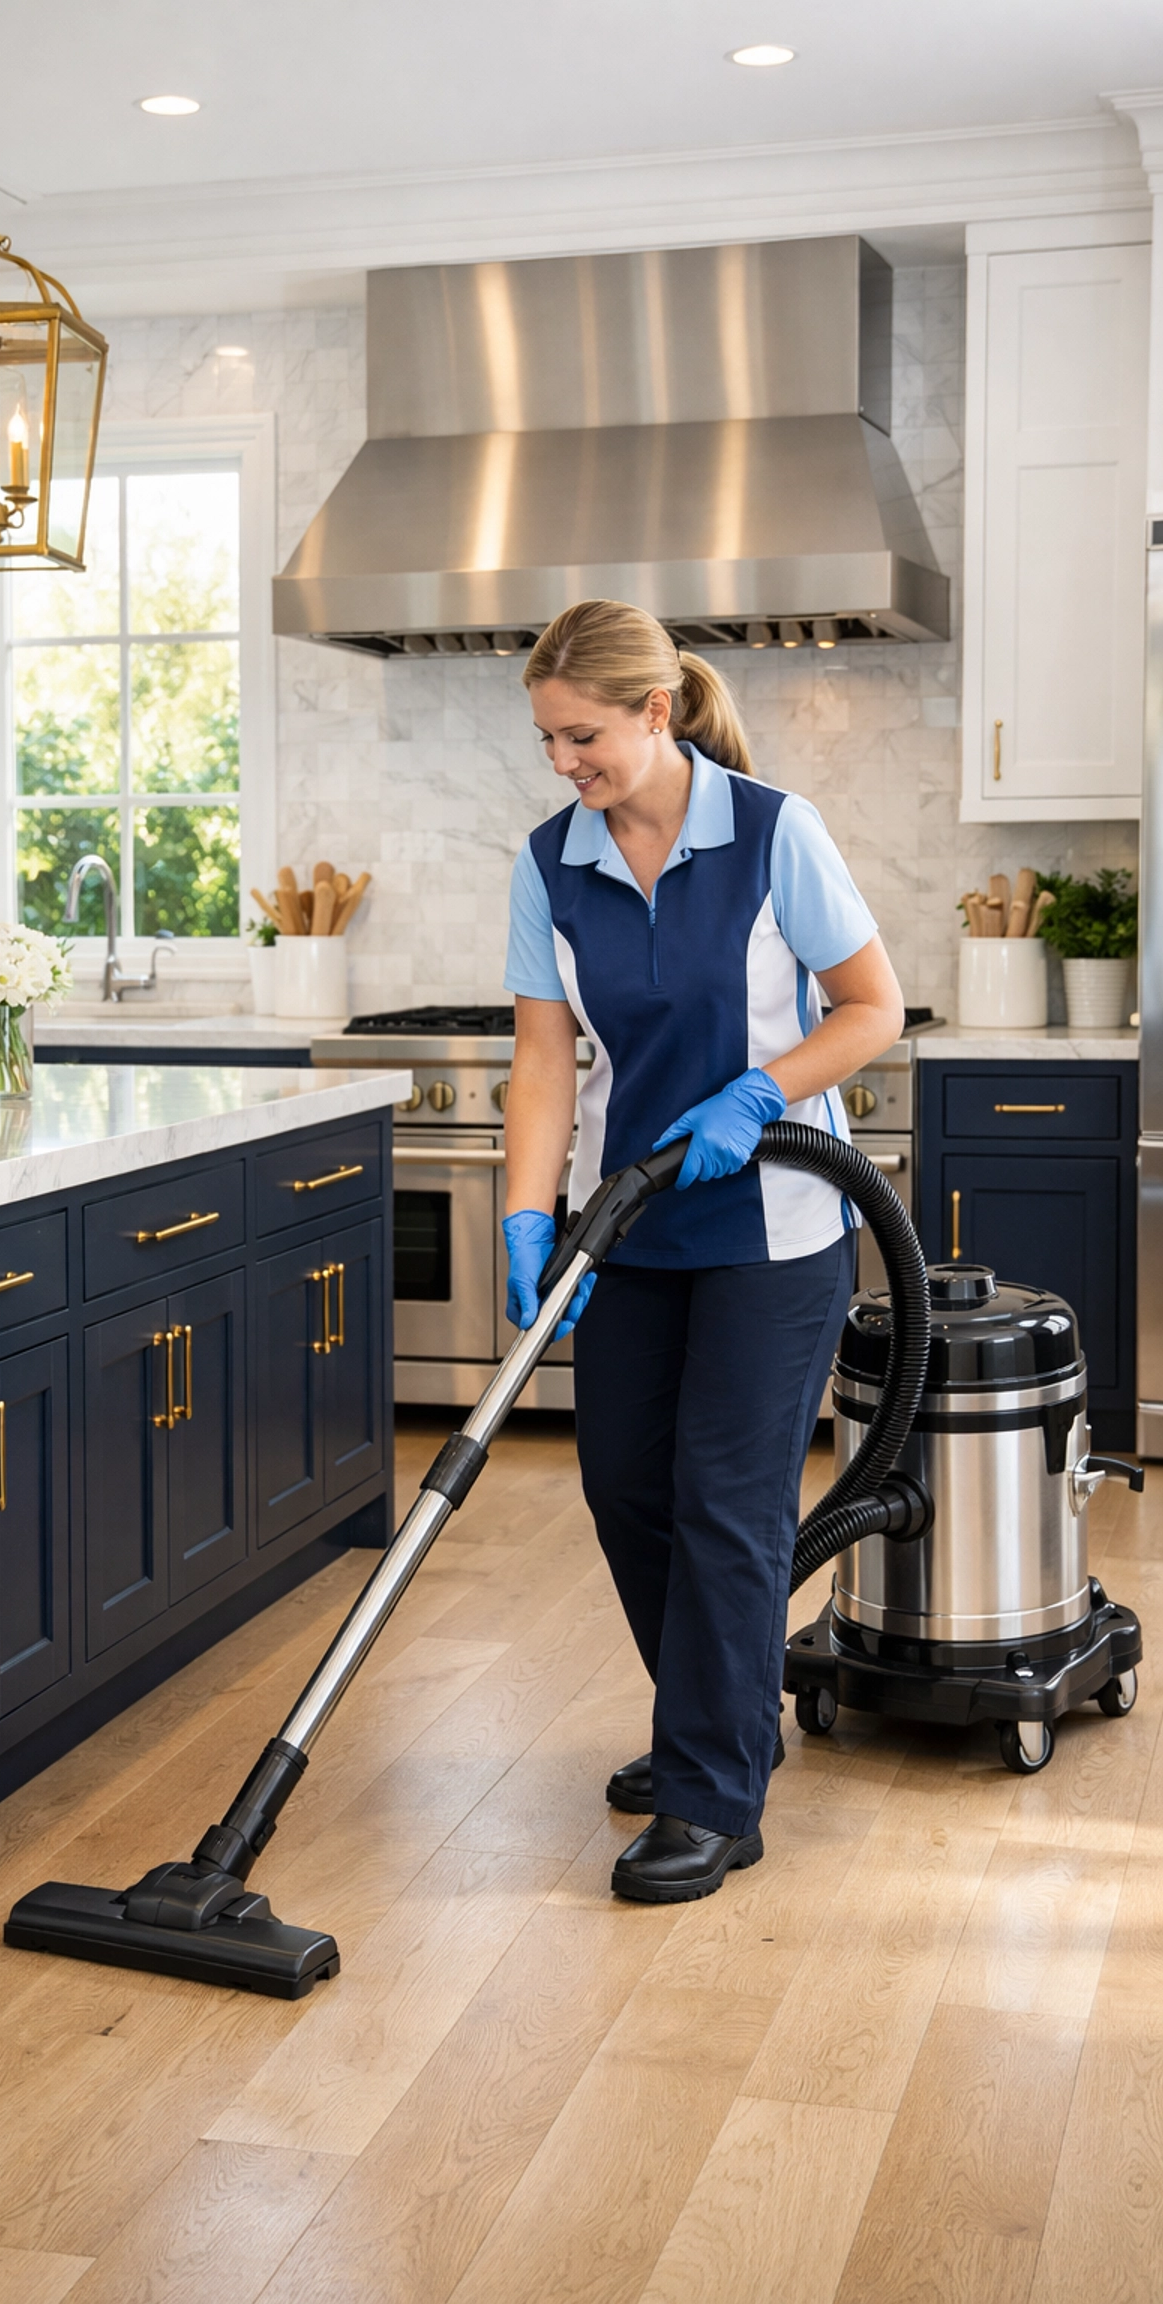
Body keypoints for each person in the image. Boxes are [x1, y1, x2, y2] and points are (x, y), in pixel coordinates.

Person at [502, 598, 904, 1904]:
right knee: (624, 1484)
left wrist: (760, 1093)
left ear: (654, 712)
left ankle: (714, 1793)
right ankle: (717, 1717)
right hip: (637, 1226)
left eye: (584, 737)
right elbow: (544, 1061)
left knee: (727, 1503)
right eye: (551, 740)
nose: (566, 762)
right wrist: (528, 1215)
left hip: (777, 1229)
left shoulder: (774, 831)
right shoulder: (550, 861)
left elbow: (871, 1008)